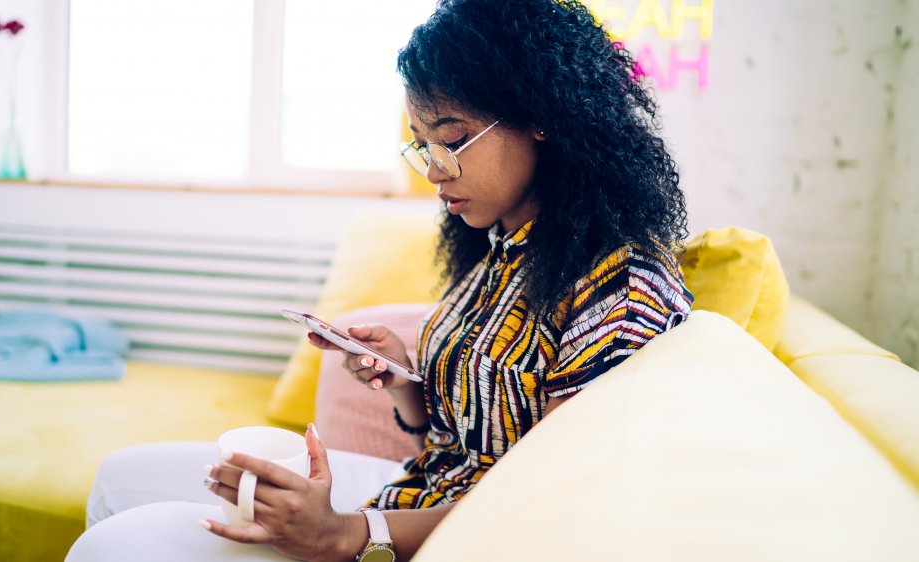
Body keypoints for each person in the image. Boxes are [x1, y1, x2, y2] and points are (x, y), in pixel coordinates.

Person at [67, 0, 693, 560]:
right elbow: (449, 436)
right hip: (413, 491)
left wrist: (348, 536)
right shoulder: (503, 244)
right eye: (420, 146)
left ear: (542, 117)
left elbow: (550, 500)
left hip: (461, 534)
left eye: (451, 139)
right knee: (119, 477)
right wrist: (402, 380)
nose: (433, 170)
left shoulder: (624, 285)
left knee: (112, 546)